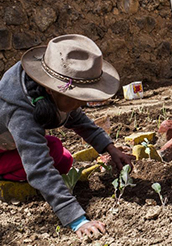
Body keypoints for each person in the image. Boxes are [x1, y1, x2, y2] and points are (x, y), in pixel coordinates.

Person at [0, 34, 133, 238]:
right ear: (50, 89)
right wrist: (76, 219)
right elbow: (39, 168)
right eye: (78, 98)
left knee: (63, 158)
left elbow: (78, 121)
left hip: (8, 146)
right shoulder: (19, 110)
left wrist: (110, 148)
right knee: (49, 159)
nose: (81, 105)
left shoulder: (49, 91)